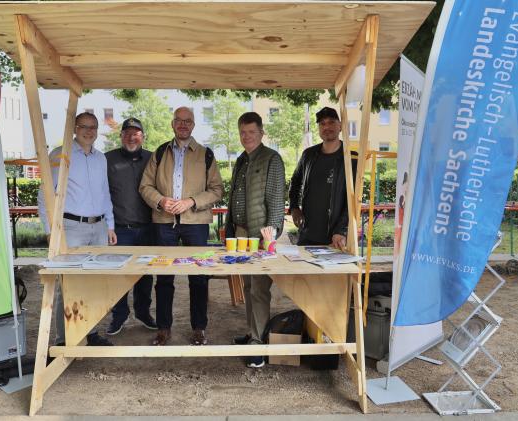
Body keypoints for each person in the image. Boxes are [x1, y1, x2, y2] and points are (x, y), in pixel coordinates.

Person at [139, 106, 223, 346]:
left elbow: (217, 190)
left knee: (199, 277)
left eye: (188, 121)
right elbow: (145, 186)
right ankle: (163, 328)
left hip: (195, 223)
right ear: (172, 124)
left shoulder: (206, 154)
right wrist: (160, 201)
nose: (183, 125)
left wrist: (191, 202)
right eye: (179, 121)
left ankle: (199, 328)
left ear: (193, 125)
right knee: (164, 277)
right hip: (164, 223)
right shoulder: (159, 153)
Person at [38, 111, 116, 347]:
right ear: (74, 127)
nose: (89, 131)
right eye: (84, 126)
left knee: (94, 283)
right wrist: (50, 230)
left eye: (93, 127)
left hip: (99, 227)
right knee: (68, 284)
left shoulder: (100, 158)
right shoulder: (59, 156)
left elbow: (105, 194)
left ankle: (90, 334)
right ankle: (65, 341)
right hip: (71, 227)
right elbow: (45, 196)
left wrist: (109, 225)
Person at [226, 112, 285, 368]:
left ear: (261, 133)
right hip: (240, 233)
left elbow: (275, 198)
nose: (246, 136)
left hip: (261, 235)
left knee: (260, 289)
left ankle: (259, 345)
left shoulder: (272, 158)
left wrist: (272, 232)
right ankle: (253, 333)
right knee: (249, 287)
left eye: (251, 132)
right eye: (242, 132)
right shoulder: (241, 159)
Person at [104, 117, 158, 335]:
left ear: (143, 137)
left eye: (136, 133)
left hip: (148, 228)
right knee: (119, 276)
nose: (131, 137)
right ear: (121, 136)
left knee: (145, 275)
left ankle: (143, 313)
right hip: (119, 229)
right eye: (127, 133)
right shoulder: (107, 159)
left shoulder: (153, 159)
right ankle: (119, 315)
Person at [289, 106, 357, 249]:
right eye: (322, 124)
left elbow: (353, 199)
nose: (327, 127)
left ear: (340, 125)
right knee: (303, 271)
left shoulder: (351, 158)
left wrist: (341, 230)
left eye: (331, 122)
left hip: (335, 238)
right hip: (307, 235)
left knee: (334, 272)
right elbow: (295, 182)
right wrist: (294, 207)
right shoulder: (308, 155)